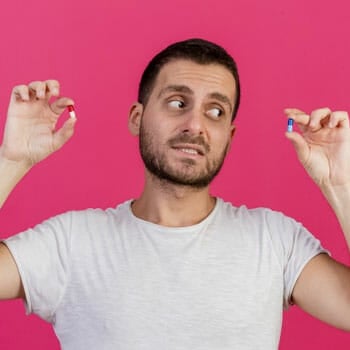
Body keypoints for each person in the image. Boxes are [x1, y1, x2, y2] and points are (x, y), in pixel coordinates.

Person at [0, 38, 349, 349]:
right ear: (137, 117)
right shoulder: (72, 243)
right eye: (178, 103)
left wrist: (340, 183)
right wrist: (10, 161)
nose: (195, 125)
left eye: (215, 111)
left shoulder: (274, 241)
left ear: (230, 134)